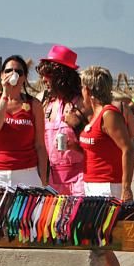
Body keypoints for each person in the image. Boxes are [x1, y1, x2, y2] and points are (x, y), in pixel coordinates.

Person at [79, 66, 134, 266]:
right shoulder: (95, 115)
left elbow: (127, 148)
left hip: (106, 187)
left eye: (82, 87)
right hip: (92, 186)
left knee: (103, 245)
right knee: (98, 245)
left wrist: (126, 188)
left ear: (88, 89)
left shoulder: (109, 114)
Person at [0, 55, 48, 188]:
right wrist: (5, 95)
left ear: (24, 77)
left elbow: (40, 145)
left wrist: (43, 180)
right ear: (1, 75)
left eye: (18, 72)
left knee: (27, 210)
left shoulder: (34, 104)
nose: (13, 74)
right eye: (8, 71)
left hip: (27, 173)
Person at [37, 45, 87, 195]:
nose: (44, 79)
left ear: (62, 76)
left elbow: (97, 142)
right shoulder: (46, 103)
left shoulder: (82, 103)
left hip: (80, 180)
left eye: (49, 74)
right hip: (53, 180)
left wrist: (78, 127)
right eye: (43, 74)